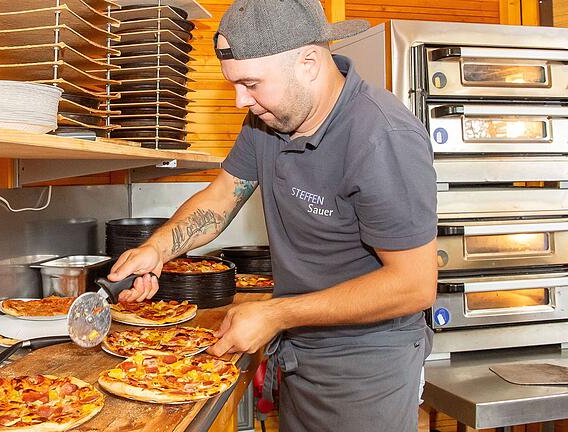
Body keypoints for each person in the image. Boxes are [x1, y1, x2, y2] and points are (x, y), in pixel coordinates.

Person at [107, 0, 438, 430]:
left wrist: (276, 314)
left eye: (251, 83)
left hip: (368, 363)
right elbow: (224, 194)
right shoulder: (269, 120)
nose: (241, 101)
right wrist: (158, 248)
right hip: (302, 345)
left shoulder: (382, 137)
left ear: (309, 63)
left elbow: (413, 285)